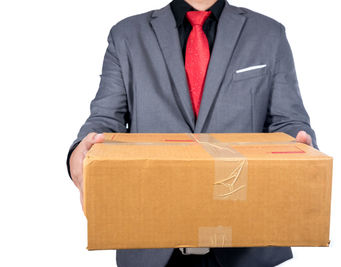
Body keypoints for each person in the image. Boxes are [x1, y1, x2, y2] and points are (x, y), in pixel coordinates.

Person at [67, 0, 318, 266]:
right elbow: (106, 119)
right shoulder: (127, 35)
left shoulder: (268, 33)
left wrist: (299, 149)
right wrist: (79, 154)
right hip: (152, 239)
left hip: (245, 243)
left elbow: (287, 121)